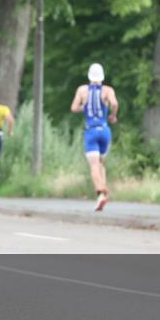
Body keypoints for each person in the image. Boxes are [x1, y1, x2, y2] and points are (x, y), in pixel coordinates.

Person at [70, 63, 118, 211]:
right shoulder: (108, 90)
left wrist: (84, 107)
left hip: (91, 131)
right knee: (101, 163)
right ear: (102, 76)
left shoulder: (82, 90)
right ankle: (103, 190)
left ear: (89, 76)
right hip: (104, 130)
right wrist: (113, 115)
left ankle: (101, 192)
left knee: (94, 165)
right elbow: (114, 103)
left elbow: (73, 108)